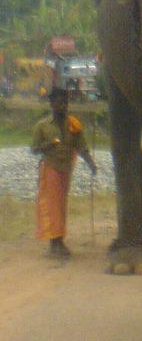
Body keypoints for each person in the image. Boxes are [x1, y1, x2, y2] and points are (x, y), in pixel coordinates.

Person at [31, 87, 97, 258]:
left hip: (66, 168)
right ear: (52, 104)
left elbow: (81, 146)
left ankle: (60, 240)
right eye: (59, 103)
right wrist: (48, 146)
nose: (63, 106)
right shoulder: (42, 126)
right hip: (50, 167)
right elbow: (34, 149)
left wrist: (91, 163)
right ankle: (55, 242)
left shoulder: (73, 124)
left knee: (61, 205)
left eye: (65, 103)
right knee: (52, 205)